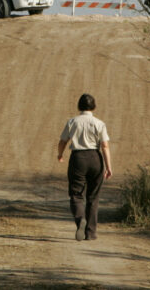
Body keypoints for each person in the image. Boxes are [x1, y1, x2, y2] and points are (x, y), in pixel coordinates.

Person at [57, 93, 113, 241]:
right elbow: (105, 146)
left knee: (76, 194)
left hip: (78, 159)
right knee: (93, 197)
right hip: (95, 158)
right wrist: (108, 166)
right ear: (94, 107)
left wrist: (60, 154)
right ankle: (91, 232)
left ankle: (80, 219)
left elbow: (63, 141)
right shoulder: (99, 123)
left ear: (79, 106)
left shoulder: (72, 122)